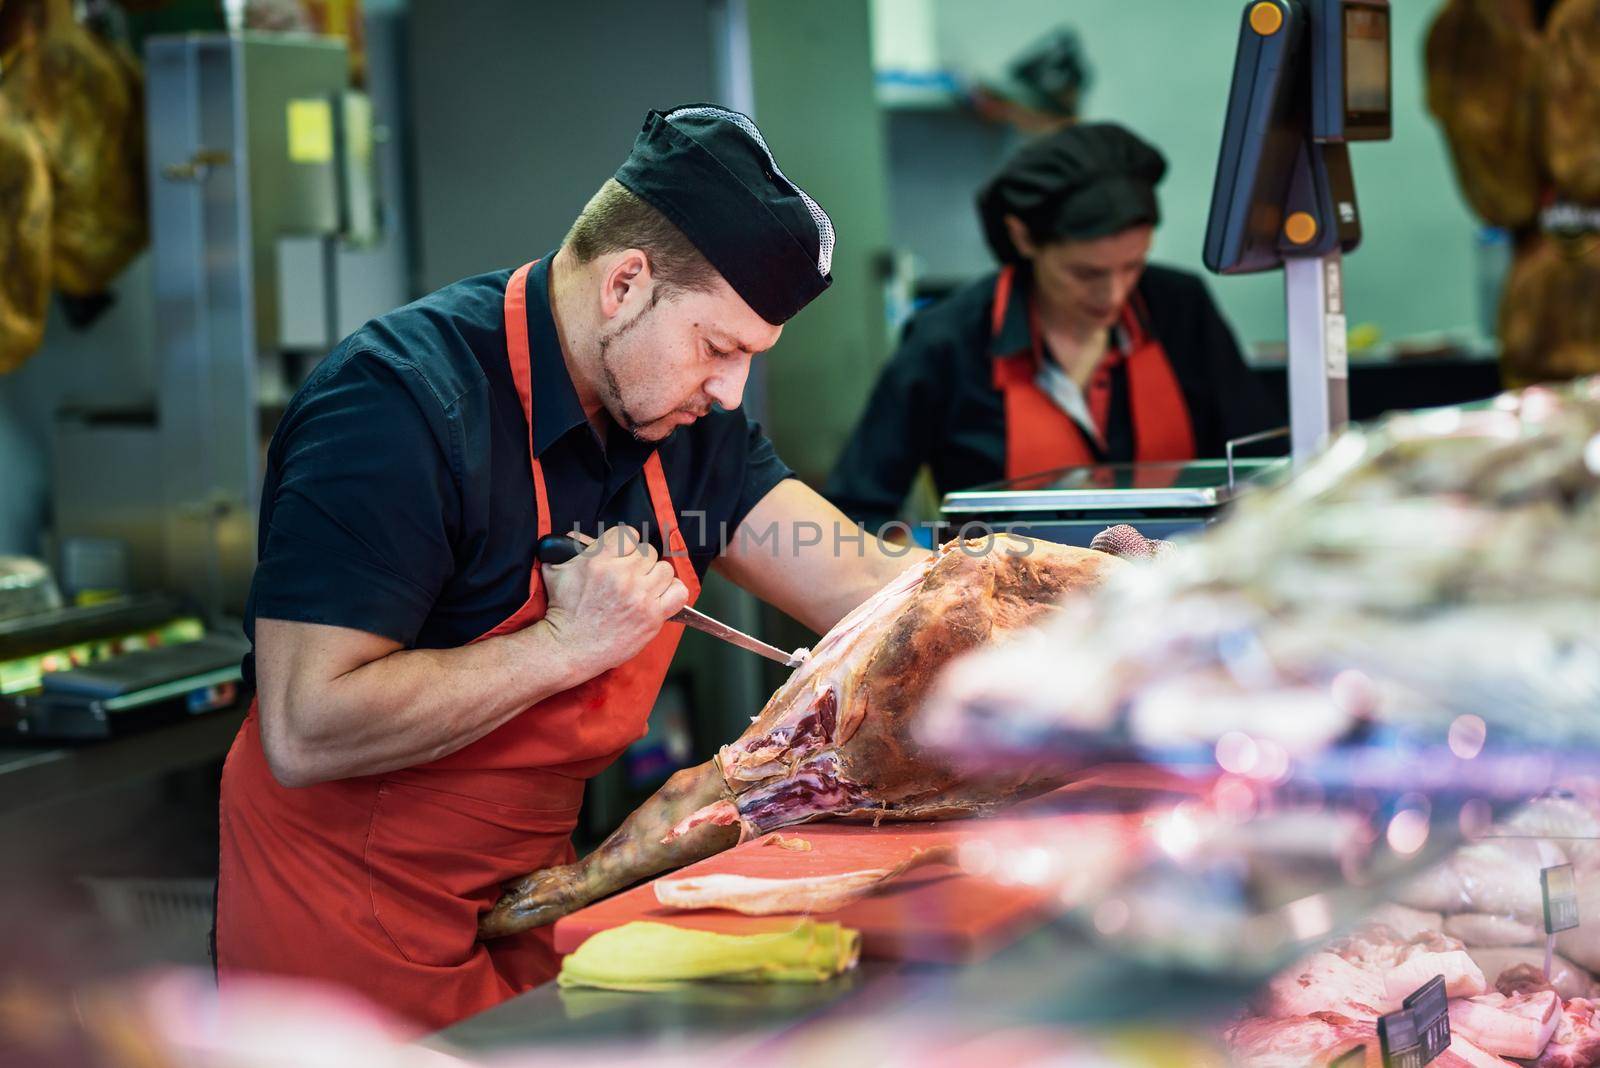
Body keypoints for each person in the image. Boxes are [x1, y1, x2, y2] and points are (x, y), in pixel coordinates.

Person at [215, 104, 924, 1030]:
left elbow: (867, 589)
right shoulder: (396, 408)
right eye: (718, 348)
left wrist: (1074, 607)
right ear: (625, 283)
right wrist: (563, 644)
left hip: (532, 904)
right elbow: (307, 729)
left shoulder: (692, 430)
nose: (729, 391)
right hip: (338, 930)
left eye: (750, 359)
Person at [826, 122, 1282, 535]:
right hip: (1013, 611)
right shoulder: (946, 342)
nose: (1115, 294)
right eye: (1087, 274)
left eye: (1132, 267)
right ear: (1023, 238)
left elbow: (1263, 472)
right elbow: (858, 510)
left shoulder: (1181, 309)